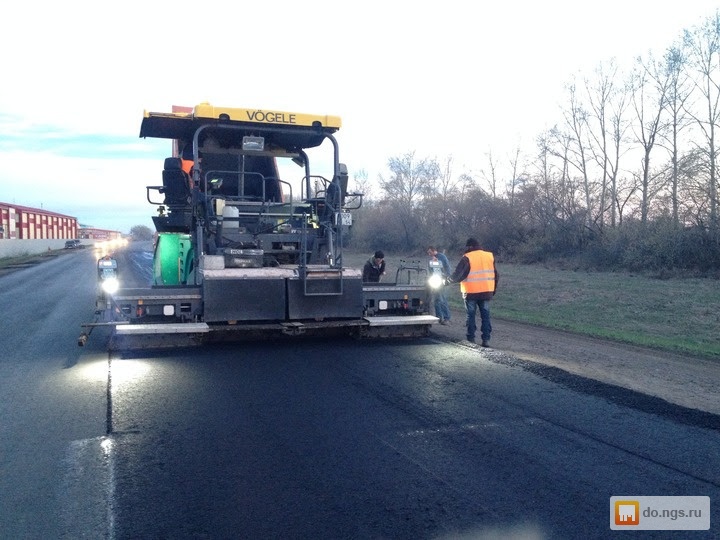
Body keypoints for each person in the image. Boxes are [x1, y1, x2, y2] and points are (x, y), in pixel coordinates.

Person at [447, 237, 499, 347]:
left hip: (471, 292)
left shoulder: (467, 257)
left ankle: (471, 338)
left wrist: (446, 281)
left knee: (471, 316)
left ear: (470, 246)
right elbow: (496, 275)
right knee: (485, 316)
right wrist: (493, 290)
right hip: (486, 292)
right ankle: (486, 340)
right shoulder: (489, 256)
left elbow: (459, 275)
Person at [427, 246, 452, 325]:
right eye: (428, 253)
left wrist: (446, 277)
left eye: (430, 252)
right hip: (435, 281)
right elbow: (431, 270)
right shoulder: (431, 260)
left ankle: (446, 318)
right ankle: (439, 317)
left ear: (434, 251)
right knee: (436, 300)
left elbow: (447, 268)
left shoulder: (442, 257)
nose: (429, 254)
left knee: (442, 299)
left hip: (442, 281)